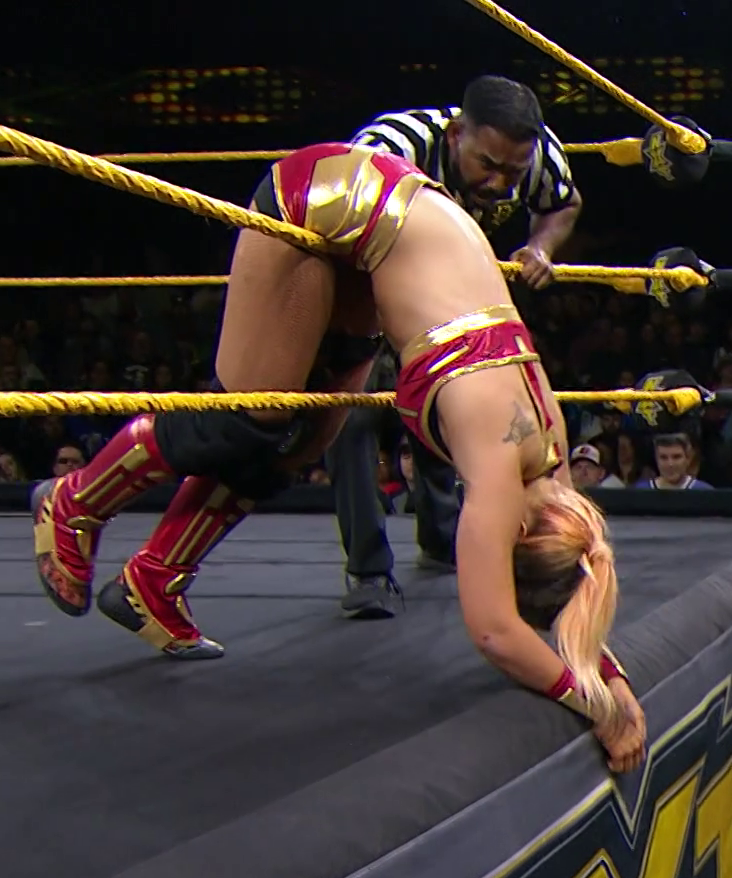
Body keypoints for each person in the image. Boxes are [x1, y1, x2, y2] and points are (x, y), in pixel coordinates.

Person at [34, 140, 644, 772]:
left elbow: (576, 577)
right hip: (330, 194)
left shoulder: (556, 479)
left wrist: (610, 678)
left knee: (305, 441)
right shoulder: (499, 463)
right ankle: (75, 501)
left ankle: (154, 577)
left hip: (385, 230)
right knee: (251, 416)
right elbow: (495, 630)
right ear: (512, 535)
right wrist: (597, 706)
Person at [331, 75, 584, 618]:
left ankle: (442, 536)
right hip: (365, 288)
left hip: (451, 306)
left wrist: (540, 246)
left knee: (455, 410)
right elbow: (336, 233)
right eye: (487, 165)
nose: (498, 182)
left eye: (512, 172)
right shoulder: (388, 149)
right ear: (454, 135)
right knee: (350, 421)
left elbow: (563, 203)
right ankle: (368, 570)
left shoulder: (537, 154)